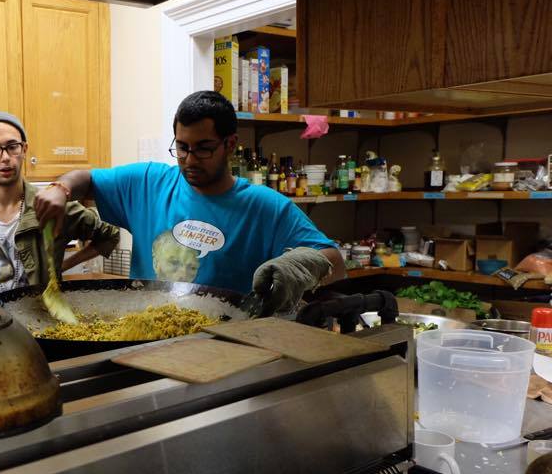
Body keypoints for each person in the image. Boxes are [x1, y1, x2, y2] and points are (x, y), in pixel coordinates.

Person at [34, 90, 345, 313]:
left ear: (231, 144)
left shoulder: (265, 207)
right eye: (182, 147)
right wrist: (60, 188)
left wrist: (293, 267)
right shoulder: (148, 183)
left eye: (204, 148)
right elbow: (85, 178)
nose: (190, 160)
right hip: (145, 337)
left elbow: (335, 260)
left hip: (227, 349)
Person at [0, 111, 120, 294]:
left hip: (39, 318)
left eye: (13, 147)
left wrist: (62, 267)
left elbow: (110, 235)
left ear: (24, 149)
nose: (5, 157)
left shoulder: (53, 206)